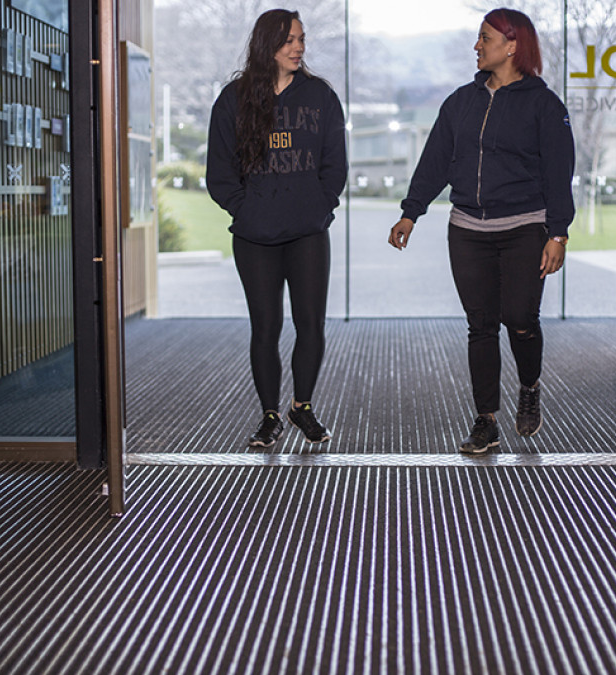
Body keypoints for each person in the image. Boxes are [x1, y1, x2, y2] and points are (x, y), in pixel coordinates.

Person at [387, 8, 575, 454]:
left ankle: (529, 386)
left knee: (521, 318)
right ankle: (485, 420)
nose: (477, 45)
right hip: (468, 229)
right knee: (481, 325)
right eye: (478, 37)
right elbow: (435, 161)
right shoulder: (460, 102)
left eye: (484, 37)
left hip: (525, 226)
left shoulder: (544, 105)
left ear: (512, 45)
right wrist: (411, 212)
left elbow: (558, 173)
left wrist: (558, 233)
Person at [206, 9, 347, 448]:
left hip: (307, 232)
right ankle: (270, 416)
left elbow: (334, 165)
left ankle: (301, 407)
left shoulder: (320, 97)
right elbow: (219, 173)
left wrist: (318, 207)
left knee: (311, 325)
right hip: (254, 237)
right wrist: (245, 212)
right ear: (267, 43)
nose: (298, 47)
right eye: (288, 40)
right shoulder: (234, 98)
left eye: (301, 39)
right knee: (265, 327)